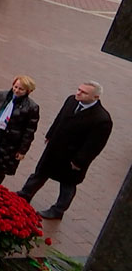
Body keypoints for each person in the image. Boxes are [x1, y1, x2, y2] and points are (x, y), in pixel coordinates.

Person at [17, 81, 112, 220]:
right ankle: (25, 194)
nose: (78, 93)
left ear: (96, 97)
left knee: (67, 185)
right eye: (79, 89)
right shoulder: (71, 100)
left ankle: (58, 210)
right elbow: (60, 118)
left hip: (72, 158)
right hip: (55, 148)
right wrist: (50, 134)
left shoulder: (102, 119)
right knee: (40, 173)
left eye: (84, 92)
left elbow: (94, 145)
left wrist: (79, 162)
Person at [0, 76, 40, 184]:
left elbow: (29, 131)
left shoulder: (32, 107)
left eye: (21, 89)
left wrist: (22, 150)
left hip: (10, 143)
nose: (16, 90)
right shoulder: (1, 96)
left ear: (28, 91)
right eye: (15, 87)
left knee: (0, 170)